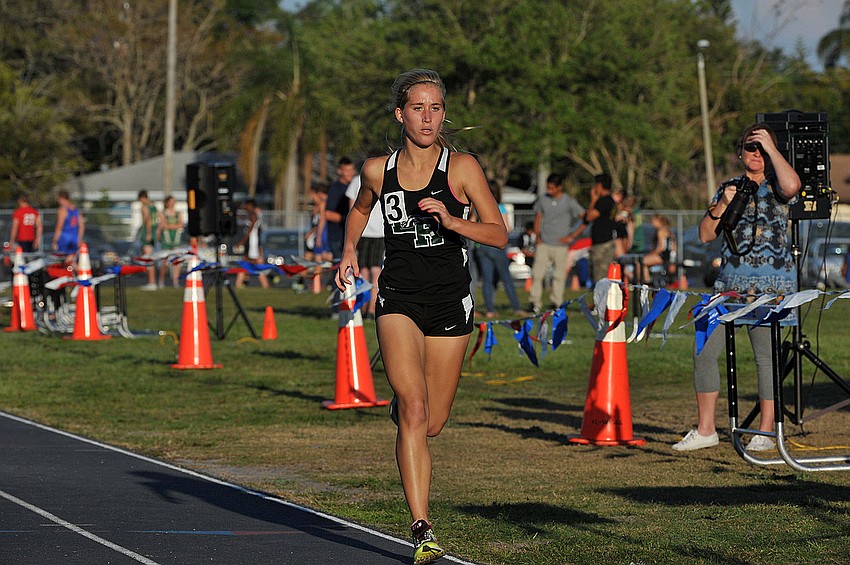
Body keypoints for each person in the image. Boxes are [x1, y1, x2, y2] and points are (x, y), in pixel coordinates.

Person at [335, 68, 507, 565]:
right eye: (418, 108)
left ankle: (406, 413)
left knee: (431, 422)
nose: (427, 117)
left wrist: (453, 220)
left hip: (451, 302)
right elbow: (362, 209)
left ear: (444, 114)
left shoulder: (462, 168)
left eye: (435, 108)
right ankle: (422, 527)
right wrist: (349, 248)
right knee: (413, 408)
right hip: (398, 297)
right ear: (400, 114)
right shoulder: (377, 170)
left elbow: (498, 234)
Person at [672, 123, 801, 452]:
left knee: (764, 358)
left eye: (761, 148)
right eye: (750, 147)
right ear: (739, 153)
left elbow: (793, 185)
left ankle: (766, 430)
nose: (755, 154)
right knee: (703, 350)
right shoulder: (729, 185)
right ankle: (705, 429)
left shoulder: (777, 183)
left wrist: (771, 148)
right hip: (729, 287)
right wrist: (721, 204)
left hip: (770, 288)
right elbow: (704, 235)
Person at [527, 173, 584, 314]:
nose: (549, 190)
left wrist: (572, 235)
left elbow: (584, 217)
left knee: (559, 276)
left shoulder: (568, 201)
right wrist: (537, 236)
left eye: (552, 188)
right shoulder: (543, 199)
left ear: (560, 187)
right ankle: (534, 302)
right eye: (548, 187)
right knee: (537, 274)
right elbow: (538, 217)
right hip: (544, 243)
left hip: (561, 245)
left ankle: (556, 302)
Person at [474, 181, 525, 318]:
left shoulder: (478, 206)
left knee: (487, 279)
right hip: (495, 247)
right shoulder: (499, 207)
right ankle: (516, 308)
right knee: (506, 278)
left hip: (481, 246)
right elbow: (506, 229)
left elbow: (473, 223)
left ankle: (490, 310)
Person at [345, 166, 384, 319]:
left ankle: (363, 307)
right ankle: (372, 309)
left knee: (363, 270)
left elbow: (353, 208)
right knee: (375, 270)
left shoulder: (357, 180)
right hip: (379, 231)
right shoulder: (385, 176)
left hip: (364, 230)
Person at [581, 173, 618, 283]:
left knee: (599, 277)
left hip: (602, 244)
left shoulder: (603, 201)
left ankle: (600, 300)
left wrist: (593, 200)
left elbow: (589, 216)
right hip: (607, 241)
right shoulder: (611, 201)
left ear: (599, 185)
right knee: (601, 275)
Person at [235, 198, 270, 289]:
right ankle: (238, 284)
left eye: (247, 205)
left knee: (256, 265)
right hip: (250, 245)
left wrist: (242, 242)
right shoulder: (249, 215)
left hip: (252, 245)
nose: (246, 207)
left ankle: (265, 285)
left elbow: (250, 231)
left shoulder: (253, 215)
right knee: (246, 264)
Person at [326, 157, 356, 261]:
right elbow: (327, 213)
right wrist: (347, 219)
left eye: (352, 170)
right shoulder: (335, 189)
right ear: (339, 171)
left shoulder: (355, 186)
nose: (350, 173)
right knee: (339, 267)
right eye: (347, 170)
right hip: (337, 237)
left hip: (349, 236)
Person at [157, 195, 184, 288]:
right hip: (166, 241)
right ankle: (161, 281)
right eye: (171, 202)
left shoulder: (178, 213)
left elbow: (181, 224)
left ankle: (175, 281)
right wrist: (174, 226)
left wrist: (171, 226)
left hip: (176, 240)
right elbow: (163, 225)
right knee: (164, 262)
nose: (172, 204)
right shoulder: (163, 213)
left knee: (177, 261)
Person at [641, 213, 676, 283]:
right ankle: (649, 280)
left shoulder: (660, 231)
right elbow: (674, 247)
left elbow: (661, 247)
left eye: (653, 221)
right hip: (667, 255)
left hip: (662, 255)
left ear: (659, 221)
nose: (651, 223)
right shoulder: (668, 231)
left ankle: (647, 282)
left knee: (642, 261)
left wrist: (651, 254)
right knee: (645, 262)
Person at [137, 190, 159, 290]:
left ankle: (152, 282)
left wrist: (149, 233)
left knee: (148, 258)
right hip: (153, 234)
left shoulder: (145, 207)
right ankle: (151, 280)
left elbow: (148, 221)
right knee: (146, 257)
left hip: (148, 234)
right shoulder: (153, 206)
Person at [52, 190, 84, 256]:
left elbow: (59, 226)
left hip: (64, 238)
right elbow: (82, 225)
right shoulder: (76, 210)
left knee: (63, 259)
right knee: (72, 259)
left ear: (62, 198)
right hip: (75, 238)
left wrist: (55, 241)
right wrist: (79, 238)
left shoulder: (63, 210)